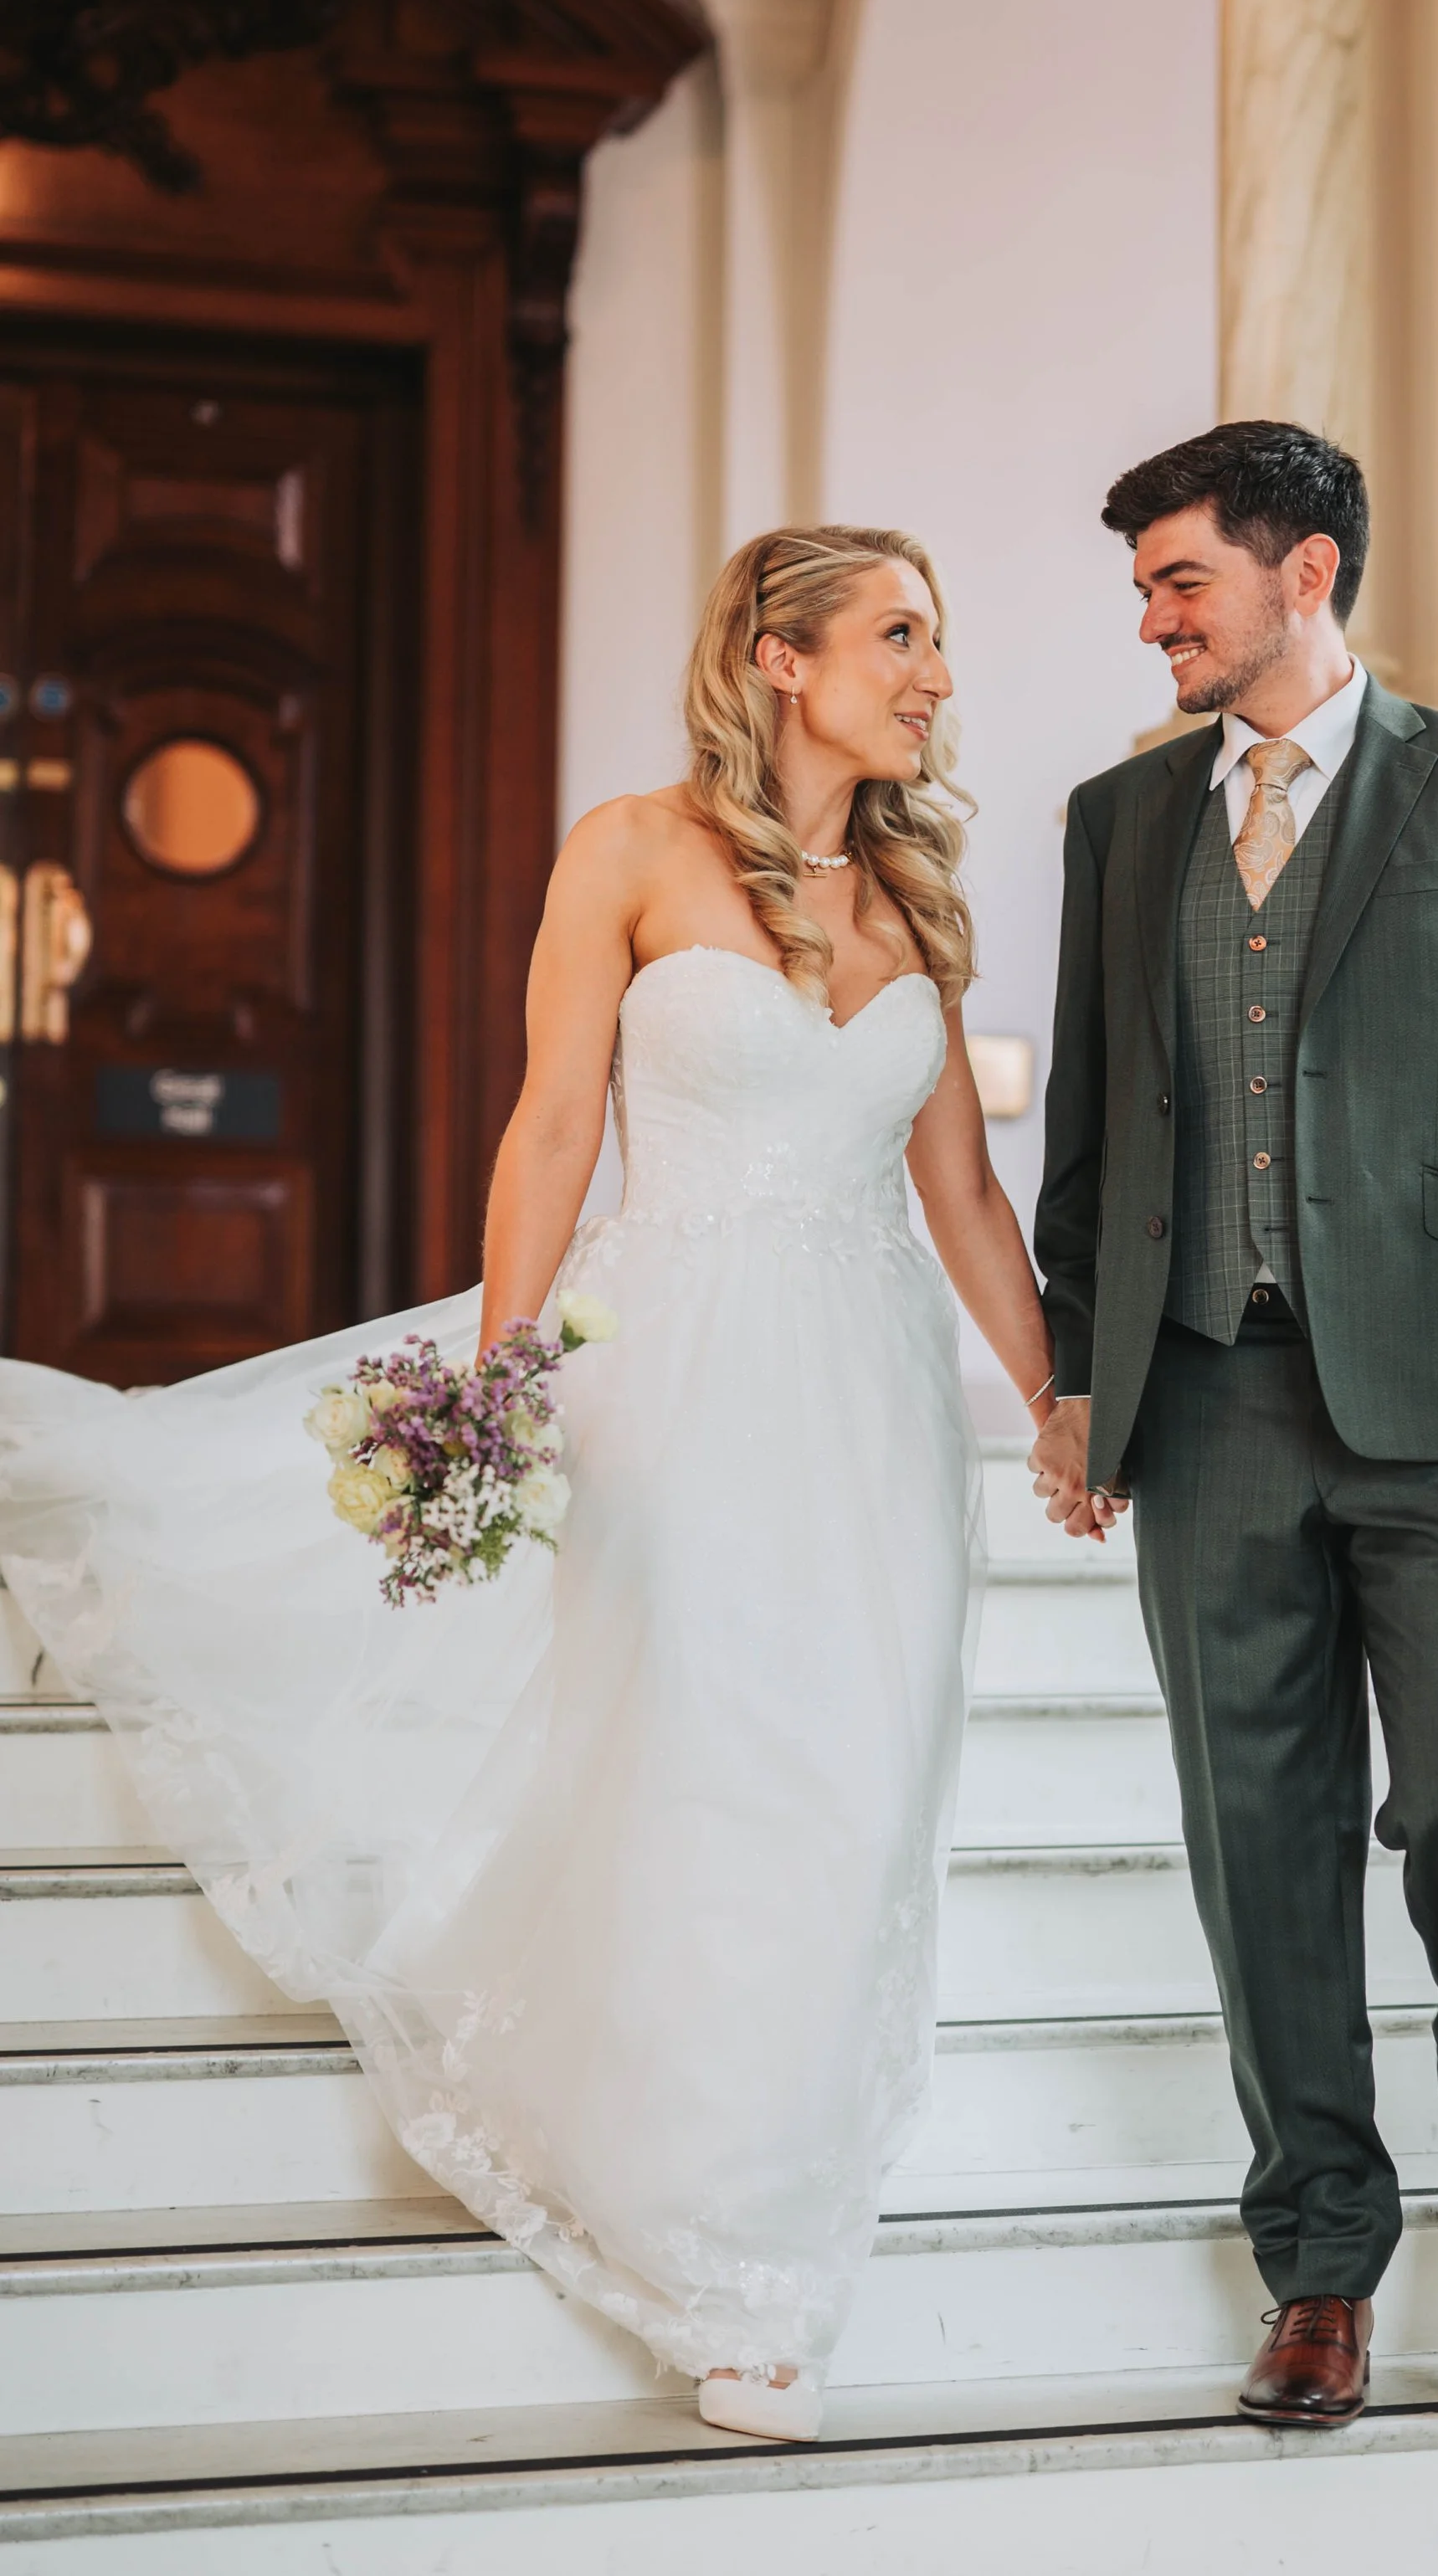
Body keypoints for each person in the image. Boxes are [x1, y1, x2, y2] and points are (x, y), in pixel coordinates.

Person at [0, 525, 1057, 2445]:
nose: (933, 675)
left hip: (874, 1408)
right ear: (777, 655)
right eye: (902, 636)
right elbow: (554, 1115)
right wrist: (495, 1378)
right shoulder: (632, 850)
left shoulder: (915, 895)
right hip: (669, 1373)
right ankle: (729, 2261)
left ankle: (773, 2192)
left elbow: (965, 1199)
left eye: (937, 641)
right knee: (703, 1761)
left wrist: (1058, 1399)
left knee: (850, 1786)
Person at [1028, 423, 1438, 2428]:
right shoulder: (1118, 825)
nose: (1153, 621)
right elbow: (1091, 1134)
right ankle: (1316, 2261)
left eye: (1179, 581)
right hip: (1202, 1400)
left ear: (1304, 574)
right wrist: (1070, 1374)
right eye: (1143, 591)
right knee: (1256, 1847)